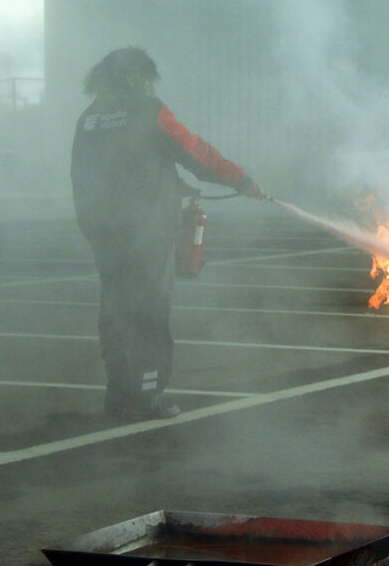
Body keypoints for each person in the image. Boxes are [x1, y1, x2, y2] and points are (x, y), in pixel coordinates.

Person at [71, 47, 264, 420]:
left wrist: (168, 186)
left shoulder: (90, 118)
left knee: (114, 309)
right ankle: (147, 395)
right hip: (146, 231)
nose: (150, 86)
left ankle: (117, 394)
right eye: (147, 79)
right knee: (150, 311)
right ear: (135, 77)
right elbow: (197, 153)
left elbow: (92, 173)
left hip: (104, 231)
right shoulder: (148, 110)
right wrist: (242, 180)